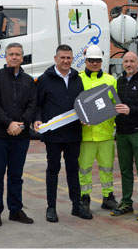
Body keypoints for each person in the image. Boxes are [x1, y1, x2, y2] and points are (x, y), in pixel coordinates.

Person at [33, 45, 93, 222]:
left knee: (73, 170)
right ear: (55, 58)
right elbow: (39, 104)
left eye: (69, 58)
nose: (66, 61)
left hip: (74, 133)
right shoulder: (45, 79)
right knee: (53, 170)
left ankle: (76, 206)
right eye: (63, 58)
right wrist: (37, 119)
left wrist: (85, 116)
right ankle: (51, 207)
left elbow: (82, 104)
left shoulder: (77, 78)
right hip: (53, 135)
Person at [0, 43, 36, 227]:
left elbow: (32, 105)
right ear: (5, 57)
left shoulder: (29, 81)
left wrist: (21, 124)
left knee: (16, 176)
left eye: (18, 54)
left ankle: (15, 210)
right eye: (11, 54)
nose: (14, 57)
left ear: (22, 58)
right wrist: (9, 123)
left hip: (20, 137)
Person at [110, 52, 138, 221]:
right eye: (126, 61)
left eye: (132, 61)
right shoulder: (120, 82)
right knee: (125, 170)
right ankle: (126, 202)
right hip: (122, 133)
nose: (128, 64)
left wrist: (131, 111)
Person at [78, 45, 119, 212]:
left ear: (102, 61)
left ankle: (108, 196)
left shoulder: (111, 80)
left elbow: (116, 105)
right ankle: (84, 197)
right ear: (85, 61)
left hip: (105, 133)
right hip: (85, 135)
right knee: (84, 169)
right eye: (91, 60)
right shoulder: (78, 79)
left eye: (97, 60)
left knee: (107, 168)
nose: (94, 63)